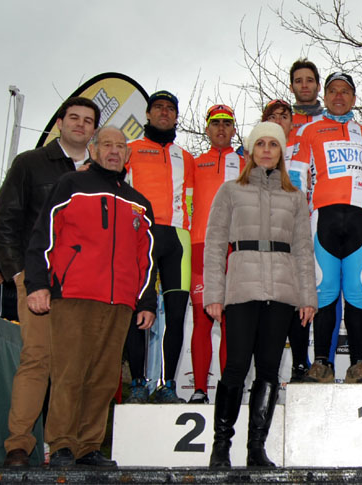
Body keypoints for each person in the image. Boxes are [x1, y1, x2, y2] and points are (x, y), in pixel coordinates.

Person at [24, 126, 156, 467]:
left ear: (128, 155)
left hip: (121, 302)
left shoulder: (139, 203)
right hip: (74, 294)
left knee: (104, 377)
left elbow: (147, 258)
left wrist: (145, 302)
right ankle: (62, 444)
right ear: (93, 149)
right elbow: (43, 235)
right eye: (107, 144)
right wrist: (37, 284)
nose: (114, 151)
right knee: (70, 371)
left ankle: (89, 446)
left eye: (120, 146)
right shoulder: (70, 185)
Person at [0, 96, 99, 466]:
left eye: (88, 120)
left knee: (79, 366)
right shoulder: (30, 164)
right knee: (36, 360)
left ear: (94, 130)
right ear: (59, 122)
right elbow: (3, 222)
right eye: (74, 118)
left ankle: (68, 447)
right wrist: (19, 273)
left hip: (86, 287)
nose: (80, 125)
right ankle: (19, 445)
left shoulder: (103, 173)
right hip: (38, 280)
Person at [203, 122, 316, 468]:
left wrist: (307, 296)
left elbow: (302, 249)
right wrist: (213, 292)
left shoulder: (295, 197)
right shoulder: (230, 191)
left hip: (282, 293)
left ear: (282, 152)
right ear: (251, 150)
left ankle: (256, 449)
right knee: (235, 367)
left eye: (274, 144)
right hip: (241, 289)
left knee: (268, 370)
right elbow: (215, 244)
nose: (267, 149)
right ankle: (221, 447)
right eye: (261, 143)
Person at [292, 72, 362, 383]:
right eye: (333, 91)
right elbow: (297, 177)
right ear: (324, 97)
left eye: (345, 92)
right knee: (325, 290)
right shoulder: (310, 131)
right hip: (323, 220)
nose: (339, 97)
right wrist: (300, 218)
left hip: (359, 220)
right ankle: (322, 363)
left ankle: (358, 364)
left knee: (356, 292)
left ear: (354, 98)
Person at [124, 90, 195, 403]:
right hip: (141, 235)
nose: (164, 113)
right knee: (138, 311)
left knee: (176, 316)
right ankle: (138, 382)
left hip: (178, 238)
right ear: (148, 114)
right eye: (158, 108)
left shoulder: (186, 157)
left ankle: (167, 384)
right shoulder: (130, 150)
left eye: (170, 109)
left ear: (176, 116)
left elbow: (191, 198)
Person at [188, 104, 245, 403]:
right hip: (202, 247)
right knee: (202, 320)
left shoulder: (246, 162)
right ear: (207, 129)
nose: (221, 128)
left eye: (227, 123)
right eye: (215, 123)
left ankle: (228, 390)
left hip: (235, 248)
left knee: (231, 323)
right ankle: (199, 390)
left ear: (234, 128)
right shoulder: (193, 163)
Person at [261, 98, 313, 382]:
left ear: (293, 122)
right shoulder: (255, 150)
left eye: (284, 115)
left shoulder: (305, 145)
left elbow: (316, 184)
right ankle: (267, 368)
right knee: (271, 300)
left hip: (298, 231)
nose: (279, 119)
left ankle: (300, 364)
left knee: (298, 297)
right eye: (273, 115)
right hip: (265, 235)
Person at [289, 59, 324, 133]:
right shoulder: (284, 123)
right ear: (291, 88)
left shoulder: (333, 120)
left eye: (309, 80)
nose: (304, 85)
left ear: (318, 86)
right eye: (298, 81)